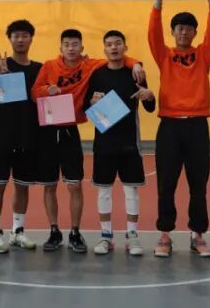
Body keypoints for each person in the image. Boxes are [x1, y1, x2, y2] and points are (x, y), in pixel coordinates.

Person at [31, 30, 144, 253]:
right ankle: (54, 230)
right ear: (61, 48)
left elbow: (117, 58)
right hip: (47, 132)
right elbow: (35, 93)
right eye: (66, 44)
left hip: (70, 131)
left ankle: (75, 232)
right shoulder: (49, 66)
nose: (71, 48)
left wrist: (136, 64)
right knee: (49, 186)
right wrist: (46, 90)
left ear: (82, 48)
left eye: (75, 44)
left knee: (74, 185)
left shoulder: (90, 66)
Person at [147, 0, 210, 258]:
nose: (184, 32)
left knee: (198, 185)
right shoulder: (164, 55)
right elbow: (152, 31)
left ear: (194, 33)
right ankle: (165, 234)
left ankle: (197, 234)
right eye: (179, 28)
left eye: (189, 29)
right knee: (166, 184)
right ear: (173, 32)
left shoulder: (203, 55)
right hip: (169, 127)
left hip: (197, 126)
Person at [83, 30, 155, 256]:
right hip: (104, 143)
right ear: (104, 49)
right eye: (109, 44)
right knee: (104, 191)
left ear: (125, 47)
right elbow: (86, 108)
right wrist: (91, 102)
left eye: (117, 43)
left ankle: (132, 236)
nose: (113, 47)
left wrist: (150, 95)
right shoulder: (97, 75)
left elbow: (150, 107)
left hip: (130, 143)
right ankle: (106, 236)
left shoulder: (136, 73)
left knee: (131, 191)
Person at [0, 20, 42, 253]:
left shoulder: (39, 69)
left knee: (22, 187)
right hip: (2, 135)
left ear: (31, 39)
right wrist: (0, 78)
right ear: (10, 39)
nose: (20, 39)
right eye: (16, 36)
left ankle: (17, 231)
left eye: (24, 35)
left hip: (28, 135)